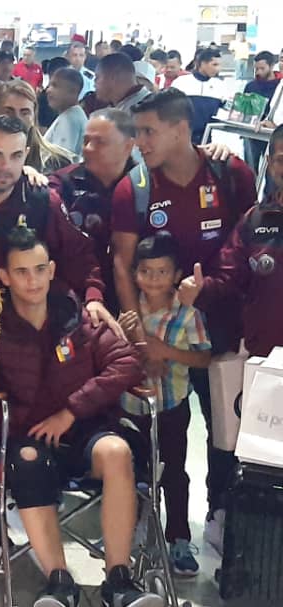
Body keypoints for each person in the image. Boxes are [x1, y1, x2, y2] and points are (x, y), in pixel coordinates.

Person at [115, 89, 257, 550]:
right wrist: (137, 336)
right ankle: (150, 520)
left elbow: (252, 241)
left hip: (222, 329)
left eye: (149, 131)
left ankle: (219, 513)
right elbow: (122, 263)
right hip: (157, 335)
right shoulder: (133, 188)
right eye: (137, 132)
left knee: (225, 430)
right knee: (161, 434)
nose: (140, 141)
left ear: (181, 129)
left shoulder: (231, 173)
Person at [0, 226, 154, 607]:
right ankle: (60, 584)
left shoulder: (78, 318)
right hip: (28, 439)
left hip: (84, 429)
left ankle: (119, 581)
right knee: (26, 461)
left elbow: (126, 363)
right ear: (5, 277)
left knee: (117, 451)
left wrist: (71, 410)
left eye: (39, 269)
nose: (32, 280)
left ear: (52, 270)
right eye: (22, 272)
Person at [0, 115, 115, 332]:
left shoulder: (41, 201)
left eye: (15, 156)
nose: (6, 166)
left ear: (25, 156)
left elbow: (79, 255)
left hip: (19, 331)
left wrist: (94, 298)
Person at [118, 232, 211, 577]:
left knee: (174, 472)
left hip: (172, 406)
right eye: (145, 271)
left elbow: (203, 359)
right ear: (135, 274)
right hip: (130, 407)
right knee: (134, 471)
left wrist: (165, 351)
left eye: (162, 272)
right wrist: (132, 341)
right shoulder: (128, 312)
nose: (153, 279)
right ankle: (136, 530)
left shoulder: (188, 315)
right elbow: (111, 359)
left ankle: (179, 539)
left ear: (176, 275)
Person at [182, 124, 283, 363]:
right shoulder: (254, 220)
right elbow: (229, 278)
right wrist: (201, 289)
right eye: (282, 160)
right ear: (269, 163)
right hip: (266, 360)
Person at [50, 109, 141, 310]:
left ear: (128, 146)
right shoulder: (63, 184)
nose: (88, 149)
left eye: (100, 142)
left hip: (135, 298)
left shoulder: (143, 186)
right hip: (76, 299)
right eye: (85, 141)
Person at [0, 80, 77, 172]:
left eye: (25, 113)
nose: (17, 119)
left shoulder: (56, 162)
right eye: (8, 112)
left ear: (33, 116)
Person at [171, 48, 228, 144]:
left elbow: (227, 111)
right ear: (202, 64)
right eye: (214, 64)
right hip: (180, 138)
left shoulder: (220, 86)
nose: (218, 69)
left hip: (206, 139)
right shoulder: (181, 83)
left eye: (219, 65)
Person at [242, 51, 280, 169]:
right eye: (256, 69)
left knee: (272, 170)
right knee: (250, 168)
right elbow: (244, 111)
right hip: (251, 133)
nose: (258, 72)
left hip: (273, 133)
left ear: (272, 66)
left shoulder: (279, 86)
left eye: (262, 68)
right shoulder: (251, 86)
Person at [44, 68, 88, 156]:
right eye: (49, 85)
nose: (48, 90)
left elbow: (61, 160)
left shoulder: (70, 120)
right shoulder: (72, 115)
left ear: (73, 91)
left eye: (55, 86)